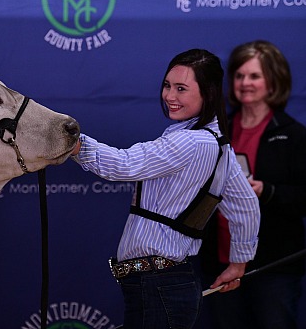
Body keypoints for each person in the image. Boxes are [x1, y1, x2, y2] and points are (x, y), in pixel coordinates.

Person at [71, 49, 260, 329]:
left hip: (159, 285)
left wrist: (69, 140)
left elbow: (122, 165)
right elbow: (246, 207)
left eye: (181, 88)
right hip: (165, 284)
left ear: (207, 93)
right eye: (167, 85)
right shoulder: (219, 144)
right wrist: (239, 263)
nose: (169, 96)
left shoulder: (191, 143)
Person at [199, 40, 306, 329]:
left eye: (254, 76)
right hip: (219, 263)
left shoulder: (295, 135)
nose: (245, 83)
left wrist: (266, 191)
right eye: (239, 75)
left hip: (274, 266)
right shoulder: (215, 132)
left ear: (274, 82)